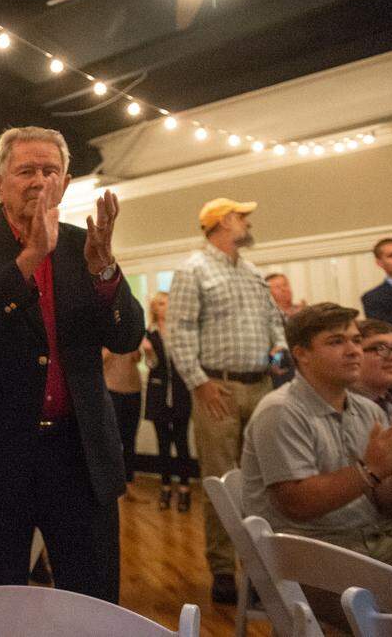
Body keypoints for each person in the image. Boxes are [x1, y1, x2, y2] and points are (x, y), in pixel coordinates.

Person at [0, 126, 144, 603]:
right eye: (25, 170)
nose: (38, 181)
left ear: (66, 183)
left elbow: (127, 334)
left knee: (91, 603)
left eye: (50, 171)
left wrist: (105, 270)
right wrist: (29, 258)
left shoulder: (84, 246)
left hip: (79, 454)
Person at [241, 303, 392, 570]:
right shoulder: (281, 410)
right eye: (336, 342)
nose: (353, 350)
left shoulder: (367, 409)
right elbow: (297, 504)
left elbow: (389, 505)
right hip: (309, 558)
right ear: (302, 354)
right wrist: (370, 470)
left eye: (355, 340)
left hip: (367, 540)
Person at [167, 197, 288, 604]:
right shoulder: (193, 270)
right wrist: (198, 382)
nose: (247, 222)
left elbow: (275, 320)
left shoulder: (252, 272)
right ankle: (223, 568)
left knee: (263, 482)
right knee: (222, 482)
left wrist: (278, 352)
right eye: (241, 217)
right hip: (217, 388)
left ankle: (261, 568)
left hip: (261, 385)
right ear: (220, 223)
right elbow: (179, 330)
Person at [141, 292, 193, 512]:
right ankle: (164, 486)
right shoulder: (148, 333)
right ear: (155, 308)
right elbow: (151, 364)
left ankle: (184, 488)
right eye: (161, 303)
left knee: (181, 443)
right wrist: (149, 353)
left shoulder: (181, 332)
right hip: (158, 394)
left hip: (180, 393)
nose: (167, 306)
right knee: (163, 444)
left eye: (169, 302)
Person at [103, 348, 142, 484]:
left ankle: (128, 484)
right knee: (111, 440)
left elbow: (137, 358)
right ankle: (112, 485)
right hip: (111, 389)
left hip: (134, 389)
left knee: (130, 439)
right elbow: (100, 359)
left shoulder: (129, 332)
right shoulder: (104, 331)